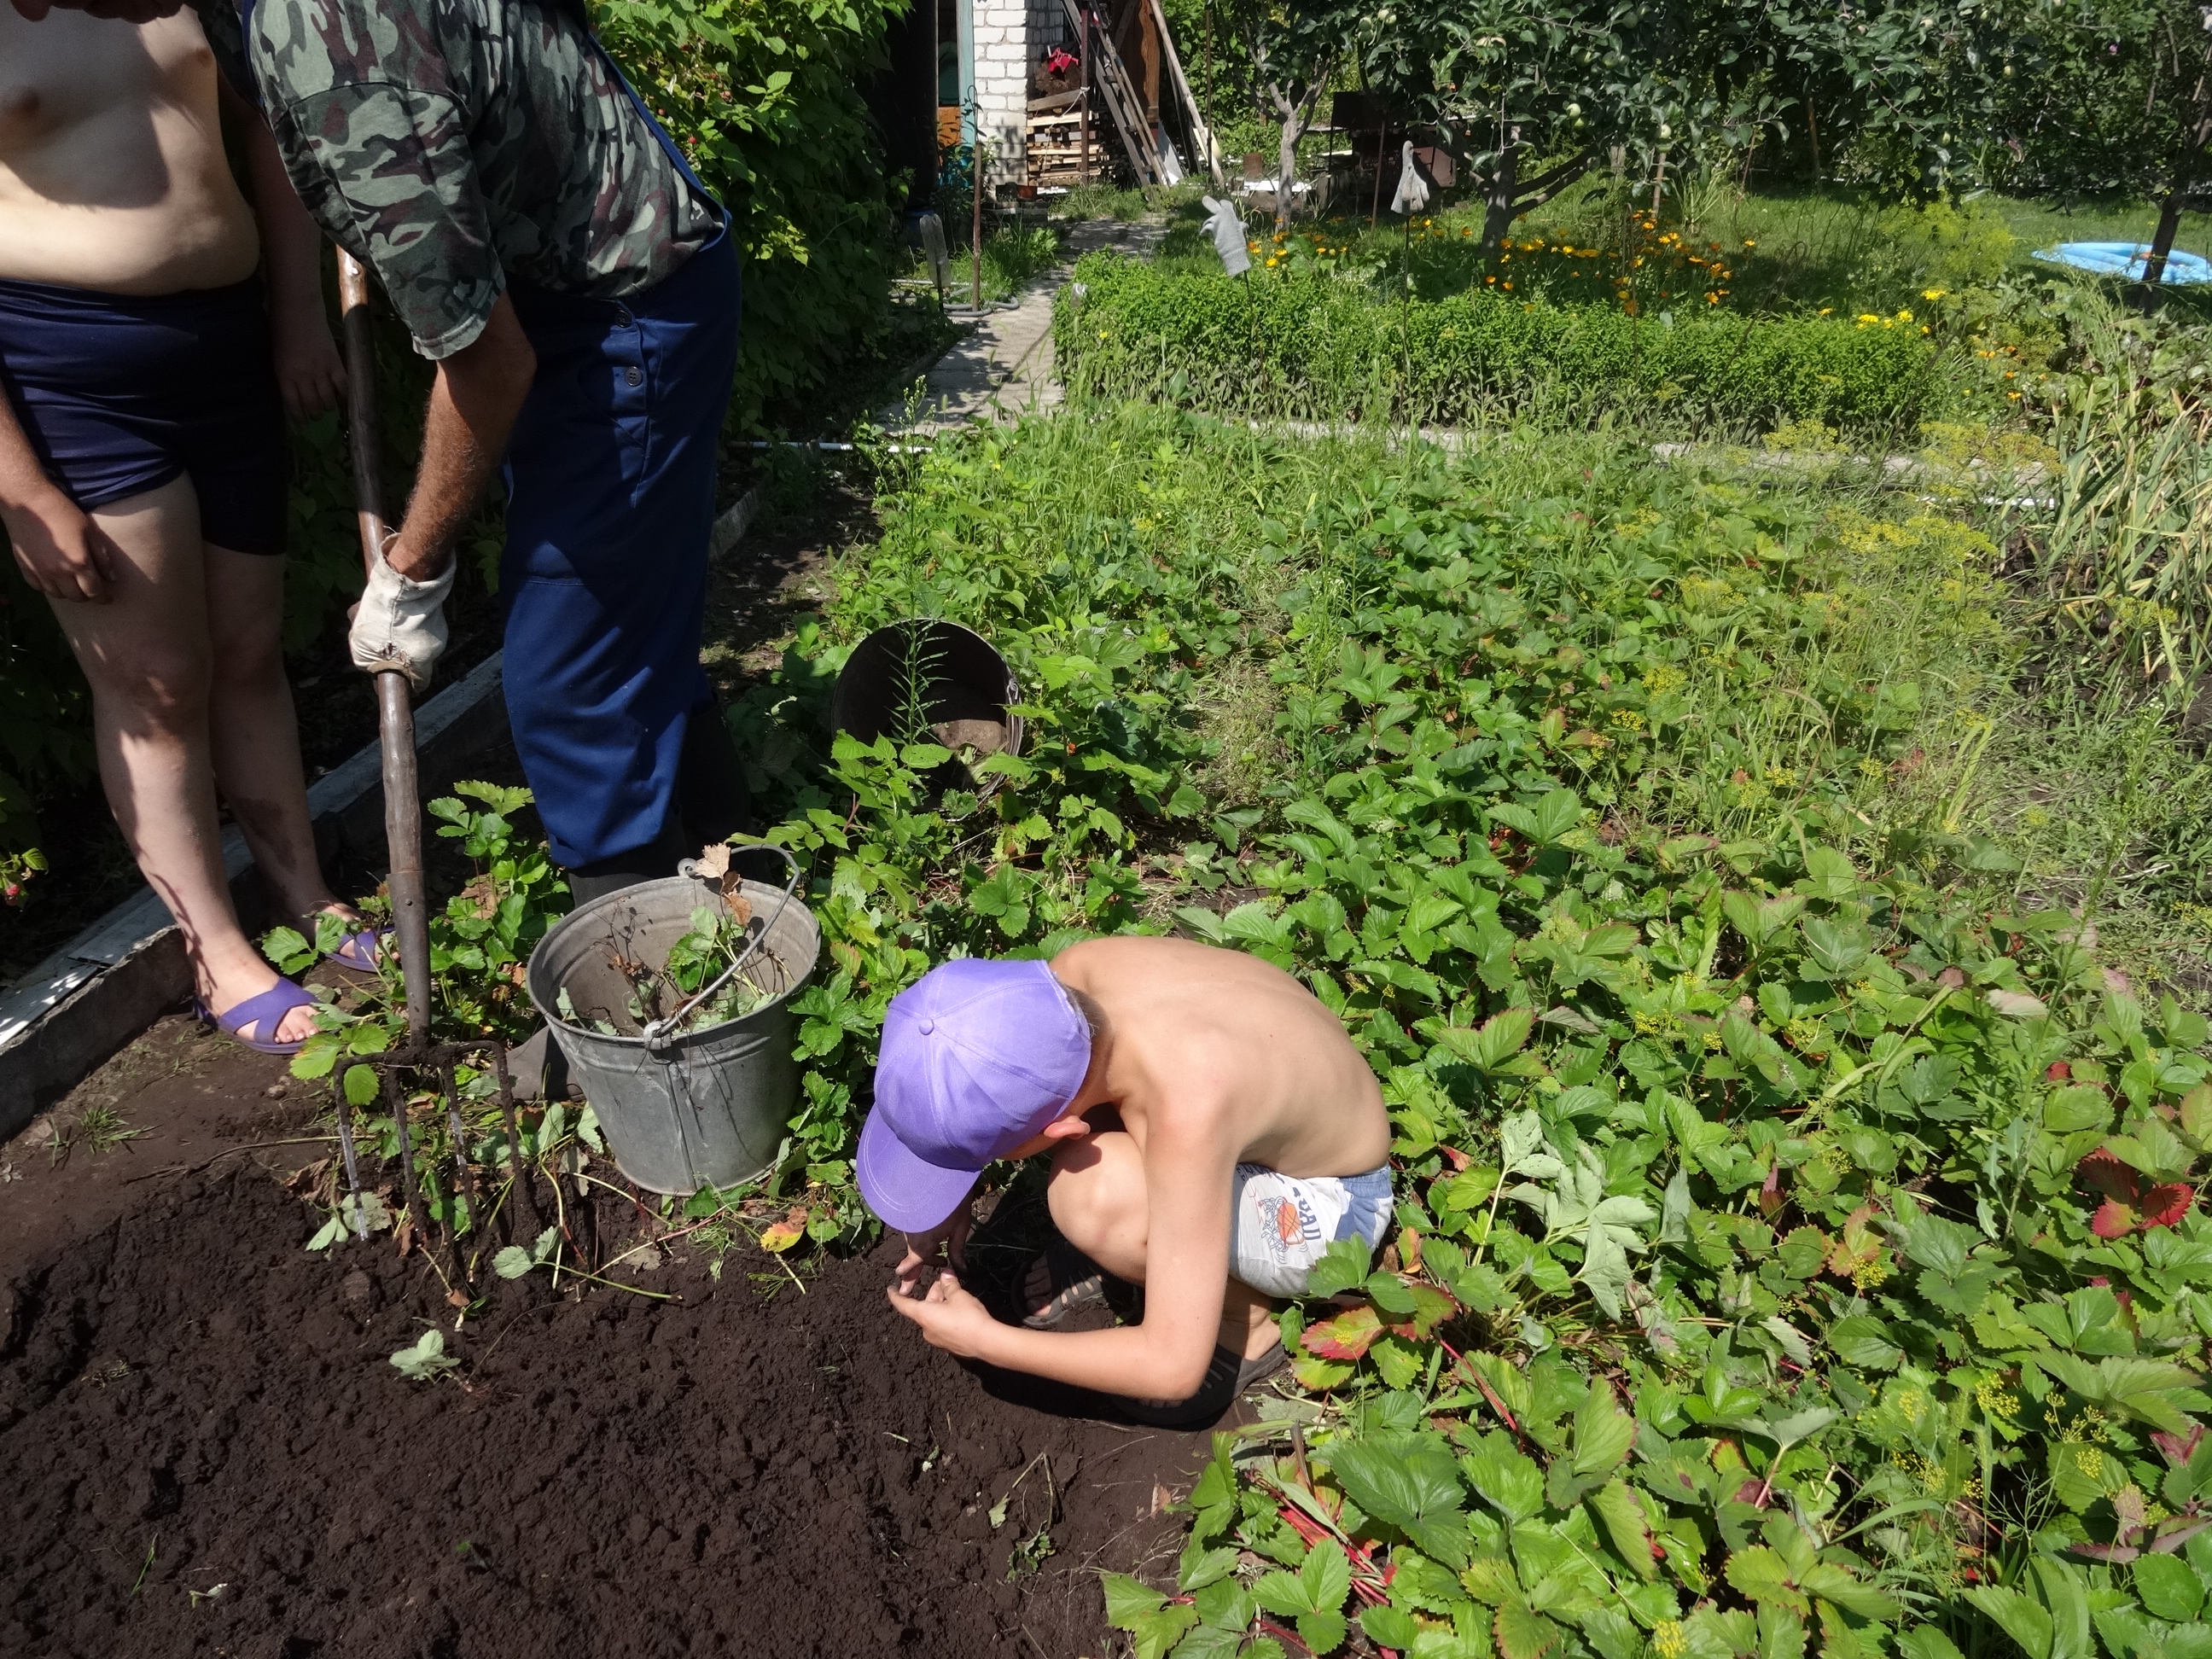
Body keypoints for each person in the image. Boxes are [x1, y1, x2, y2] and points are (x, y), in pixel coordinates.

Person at [12, 0, 758, 909]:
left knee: (572, 678)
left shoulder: (333, 55)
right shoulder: (244, 14)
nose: (37, 10)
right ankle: (736, 861)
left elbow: (490, 362)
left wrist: (411, 576)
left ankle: (650, 969)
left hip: (618, 307)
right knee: (623, 612)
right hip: (584, 272)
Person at [0, 3, 377, 1053]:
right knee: (157, 685)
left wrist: (297, 312)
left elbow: (266, 126)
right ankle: (216, 950)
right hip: (70, 377)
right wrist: (18, 486)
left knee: (250, 650)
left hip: (228, 346)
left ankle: (305, 890)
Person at [864, 936, 1394, 1424]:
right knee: (1090, 1098)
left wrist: (986, 1340)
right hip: (1268, 1087)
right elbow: (996, 1066)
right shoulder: (1075, 975)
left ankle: (1246, 1325)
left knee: (1092, 1197)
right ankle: (1146, 1250)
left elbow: (1172, 1367)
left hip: (1333, 1200)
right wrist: (948, 1194)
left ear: (1061, 1129)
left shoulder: (1188, 1110)